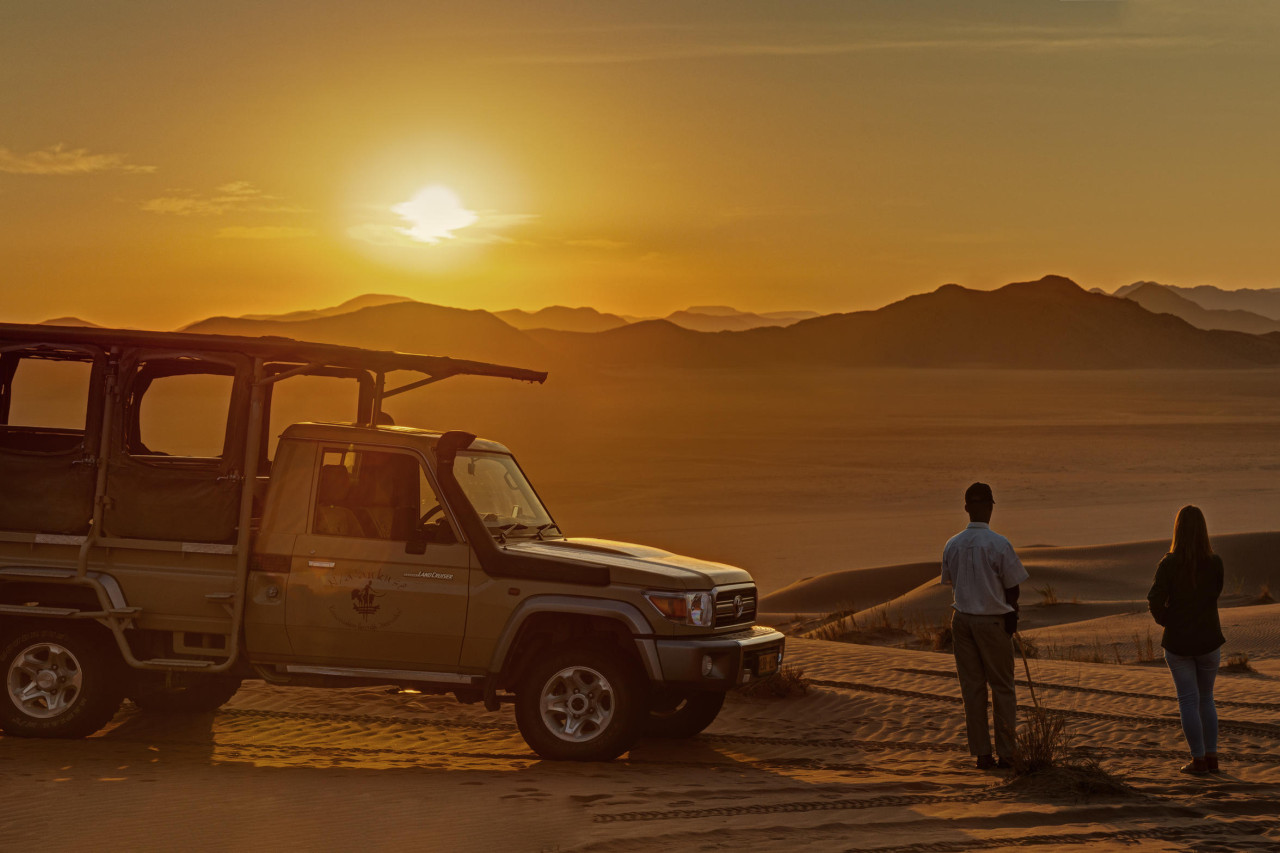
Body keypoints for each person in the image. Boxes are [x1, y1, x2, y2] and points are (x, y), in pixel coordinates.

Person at [941, 482, 1029, 770]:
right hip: (990, 619)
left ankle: (982, 754)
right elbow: (1012, 586)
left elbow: (951, 582)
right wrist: (1011, 616)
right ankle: (1006, 754)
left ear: (966, 508)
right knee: (1002, 687)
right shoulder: (999, 543)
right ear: (990, 507)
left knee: (973, 689)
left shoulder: (952, 543)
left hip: (962, 620)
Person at [1147, 505, 1225, 775]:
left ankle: (1198, 760)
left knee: (1189, 701)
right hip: (1209, 641)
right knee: (1206, 699)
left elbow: (1154, 600)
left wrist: (1169, 621)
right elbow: (1215, 593)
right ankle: (1212, 758)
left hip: (1180, 644)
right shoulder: (1215, 562)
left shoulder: (1169, 563)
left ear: (1177, 529)